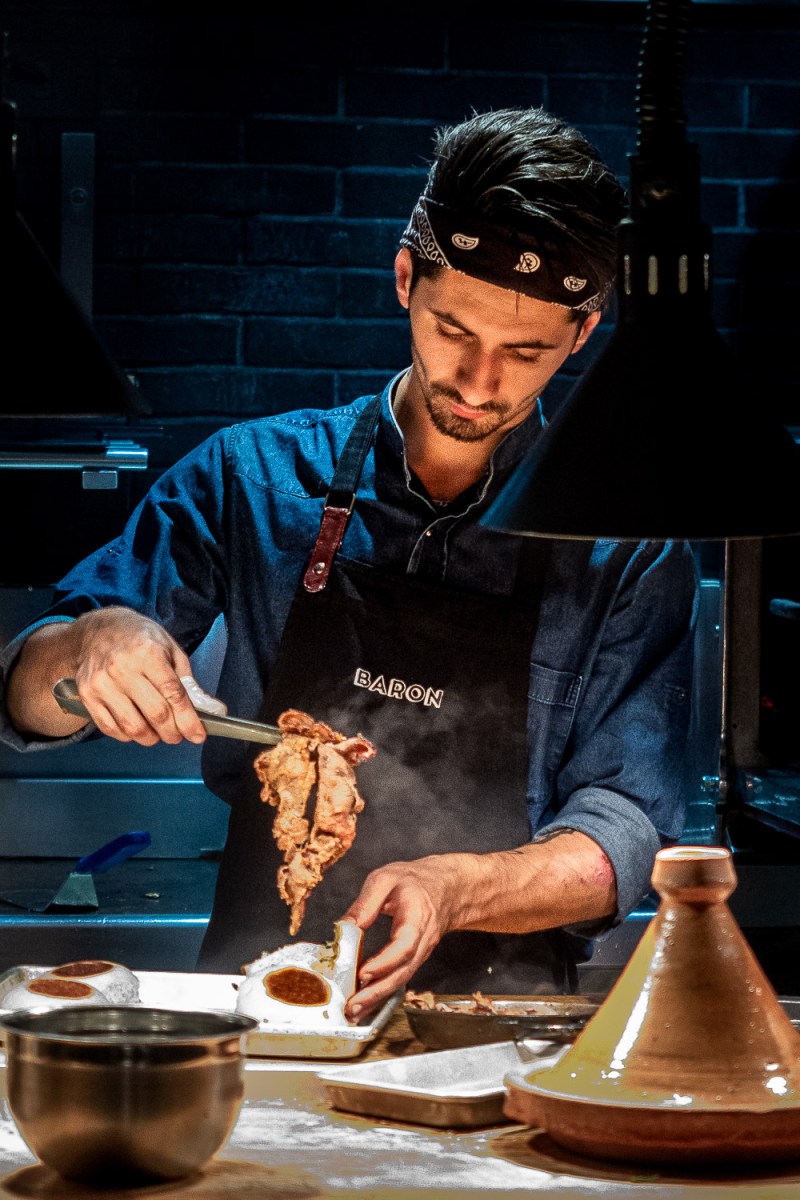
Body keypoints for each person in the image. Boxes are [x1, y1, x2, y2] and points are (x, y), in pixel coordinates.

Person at [0, 107, 698, 1020]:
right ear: (406, 278)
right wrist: (90, 641)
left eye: (526, 352)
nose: (480, 382)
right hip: (260, 1001)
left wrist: (459, 888)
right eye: (454, 330)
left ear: (582, 333)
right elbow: (27, 695)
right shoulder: (249, 479)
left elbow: (626, 829)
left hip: (496, 1025)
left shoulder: (626, 547)